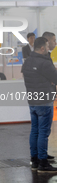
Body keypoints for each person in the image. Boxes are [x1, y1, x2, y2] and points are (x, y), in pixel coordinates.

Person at [22, 37, 57, 172]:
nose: (48, 49)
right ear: (42, 48)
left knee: (35, 130)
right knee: (43, 132)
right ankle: (43, 162)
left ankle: (35, 160)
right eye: (47, 46)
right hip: (45, 101)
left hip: (32, 101)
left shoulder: (27, 61)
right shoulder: (45, 63)